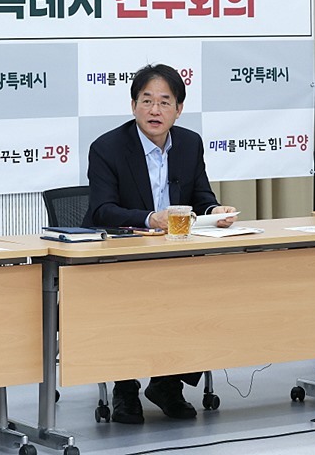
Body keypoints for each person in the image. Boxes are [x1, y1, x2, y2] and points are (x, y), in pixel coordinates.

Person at [82, 63, 237, 423]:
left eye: (165, 102)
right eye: (147, 101)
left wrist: (216, 211)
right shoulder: (107, 148)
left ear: (178, 109)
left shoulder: (189, 144)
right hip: (120, 257)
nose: (155, 110)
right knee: (129, 299)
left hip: (173, 256)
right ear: (133, 105)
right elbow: (102, 210)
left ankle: (167, 383)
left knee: (202, 289)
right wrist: (151, 218)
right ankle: (125, 387)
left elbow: (201, 198)